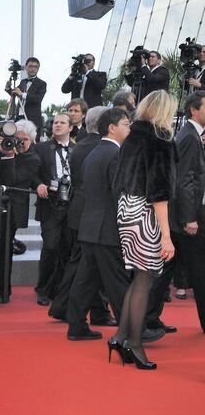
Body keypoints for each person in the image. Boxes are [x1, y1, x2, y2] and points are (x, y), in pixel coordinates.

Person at [110, 90, 176, 369]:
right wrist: (167, 235)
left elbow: (117, 181)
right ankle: (135, 345)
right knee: (145, 279)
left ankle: (121, 337)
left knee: (138, 278)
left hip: (126, 209)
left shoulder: (133, 137)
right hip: (145, 212)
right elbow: (159, 192)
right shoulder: (160, 139)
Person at [66, 108, 135, 341]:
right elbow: (120, 194)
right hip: (108, 230)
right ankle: (131, 333)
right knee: (118, 283)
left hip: (89, 227)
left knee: (85, 281)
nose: (130, 128)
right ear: (112, 127)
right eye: (126, 124)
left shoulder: (93, 153)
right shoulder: (116, 155)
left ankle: (76, 326)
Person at [0, 120, 41, 301]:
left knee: (4, 250)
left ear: (31, 140)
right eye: (17, 139)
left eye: (24, 139)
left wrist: (9, 156)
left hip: (12, 210)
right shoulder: (2, 150)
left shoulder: (33, 158)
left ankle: (2, 291)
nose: (19, 143)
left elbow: (11, 179)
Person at [169, 91, 205, 331]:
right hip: (190, 216)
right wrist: (189, 217)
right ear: (193, 109)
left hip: (190, 213)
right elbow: (183, 180)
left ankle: (148, 318)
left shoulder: (191, 134)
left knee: (166, 272)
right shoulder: (190, 137)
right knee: (199, 270)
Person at [33, 112, 74, 306]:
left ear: (70, 127)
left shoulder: (78, 149)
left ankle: (60, 289)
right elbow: (31, 172)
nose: (57, 125)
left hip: (72, 205)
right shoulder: (41, 148)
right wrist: (38, 184)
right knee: (50, 247)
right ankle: (43, 289)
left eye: (62, 122)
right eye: (55, 122)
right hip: (49, 204)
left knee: (66, 248)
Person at [10, 57, 46, 131]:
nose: (33, 69)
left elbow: (38, 99)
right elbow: (15, 93)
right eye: (30, 66)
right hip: (19, 117)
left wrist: (22, 94)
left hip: (32, 119)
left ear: (38, 68)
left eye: (35, 67)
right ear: (26, 68)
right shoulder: (23, 81)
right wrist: (8, 88)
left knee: (32, 141)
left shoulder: (42, 83)